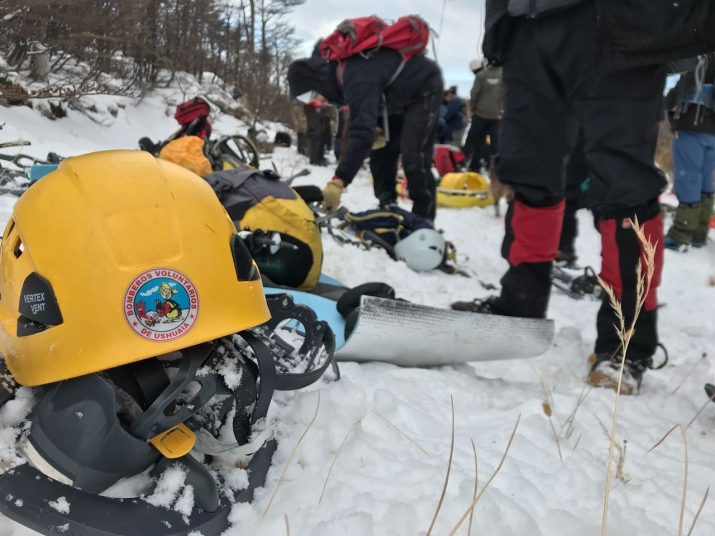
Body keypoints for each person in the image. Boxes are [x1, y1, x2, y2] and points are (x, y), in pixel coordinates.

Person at [452, 0, 671, 395]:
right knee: (530, 172)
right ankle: (520, 303)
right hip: (524, 24)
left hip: (619, 21)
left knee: (625, 181)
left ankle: (626, 342)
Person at [287, 44, 444, 220]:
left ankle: (423, 219)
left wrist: (339, 181)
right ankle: (387, 204)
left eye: (309, 96)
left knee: (413, 156)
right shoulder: (341, 80)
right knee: (381, 150)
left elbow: (361, 135)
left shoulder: (354, 78)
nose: (315, 103)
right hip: (392, 97)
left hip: (424, 87)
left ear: (316, 82)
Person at [663, 53, 715, 251]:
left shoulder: (699, 57)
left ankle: (681, 235)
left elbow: (674, 96)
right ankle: (699, 234)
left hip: (692, 127)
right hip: (713, 134)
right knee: (705, 180)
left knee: (688, 179)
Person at [462, 57, 503, 174]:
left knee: (474, 139)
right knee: (495, 143)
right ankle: (495, 169)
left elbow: (474, 94)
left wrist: (474, 110)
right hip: (496, 116)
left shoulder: (481, 76)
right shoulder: (504, 75)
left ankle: (465, 163)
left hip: (481, 114)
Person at [303, 93, 329, 166]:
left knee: (321, 132)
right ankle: (314, 159)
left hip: (318, 105)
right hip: (311, 106)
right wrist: (316, 104)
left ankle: (319, 157)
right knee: (314, 133)